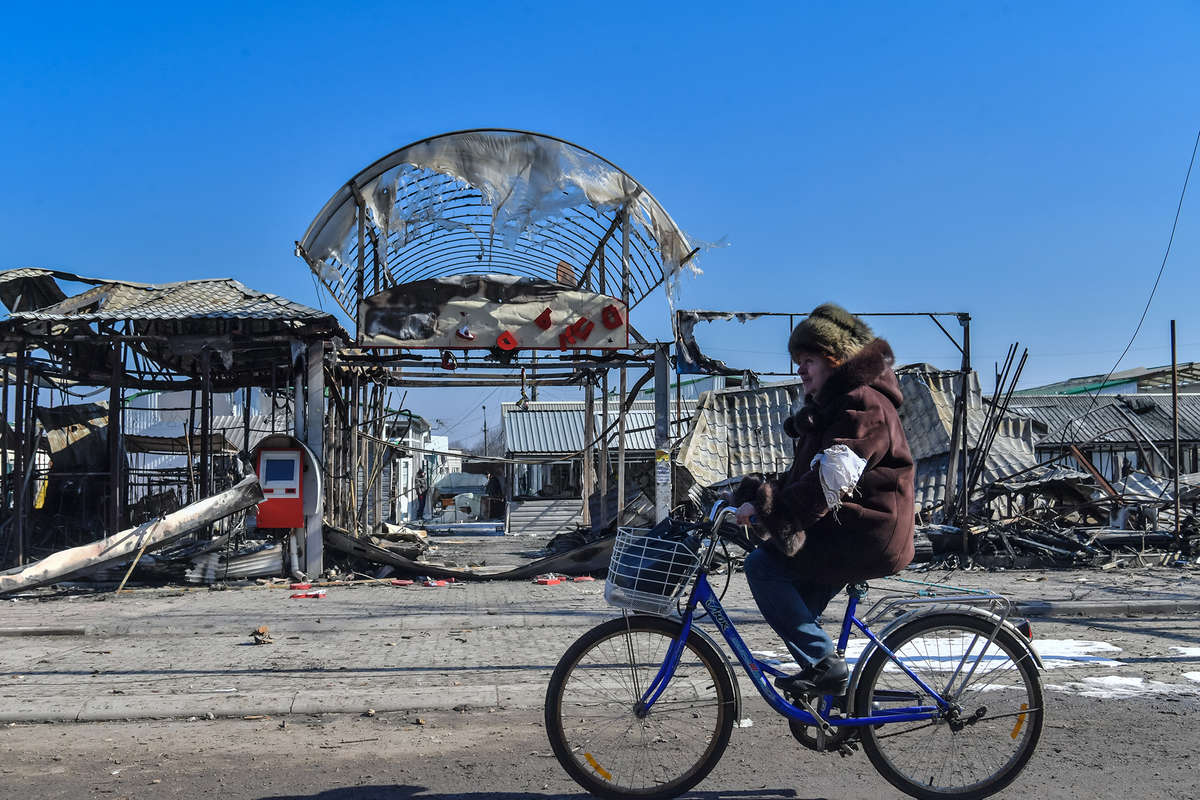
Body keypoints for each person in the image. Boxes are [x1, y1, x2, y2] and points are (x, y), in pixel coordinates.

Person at [732, 303, 915, 697]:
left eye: (808, 359)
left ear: (836, 359)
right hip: (848, 526)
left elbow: (830, 480)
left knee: (763, 568)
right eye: (798, 360)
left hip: (866, 531)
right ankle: (835, 698)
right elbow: (806, 475)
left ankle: (825, 668)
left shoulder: (861, 405)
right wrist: (760, 493)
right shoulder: (833, 409)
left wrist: (772, 511)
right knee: (798, 604)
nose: (800, 369)